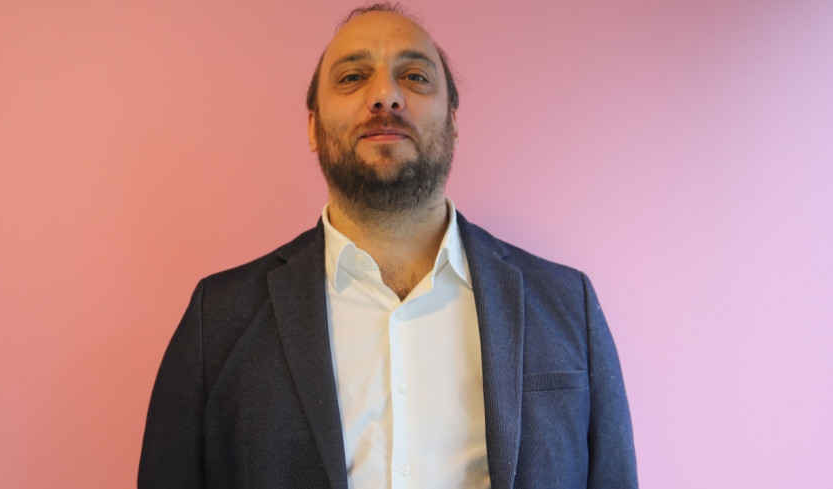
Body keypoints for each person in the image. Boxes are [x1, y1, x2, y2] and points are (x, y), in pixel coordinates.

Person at [138, 3, 638, 488]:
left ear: (453, 123)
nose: (385, 96)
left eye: (415, 77)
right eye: (353, 77)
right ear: (312, 126)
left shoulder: (566, 304)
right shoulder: (217, 320)